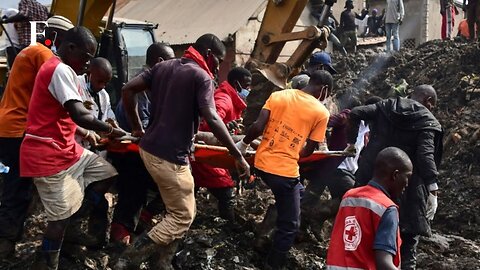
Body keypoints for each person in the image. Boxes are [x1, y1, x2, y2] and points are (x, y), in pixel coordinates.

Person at [116, 33, 250, 269]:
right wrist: (237, 155)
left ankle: (163, 263)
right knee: (183, 216)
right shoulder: (202, 77)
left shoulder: (164, 66)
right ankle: (127, 261)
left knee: (182, 211)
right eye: (217, 61)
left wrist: (138, 128)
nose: (218, 68)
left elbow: (127, 90)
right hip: (170, 157)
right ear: (209, 55)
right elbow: (212, 117)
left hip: (149, 149)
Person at [19, 26, 126, 269]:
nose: (87, 65)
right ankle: (47, 262)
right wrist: (108, 130)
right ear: (70, 48)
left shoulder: (63, 70)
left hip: (68, 149)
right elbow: (78, 114)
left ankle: (75, 223)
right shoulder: (59, 70)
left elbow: (66, 117)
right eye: (86, 58)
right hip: (47, 152)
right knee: (59, 219)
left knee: (106, 174)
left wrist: (89, 133)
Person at [236, 70, 332, 269]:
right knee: (290, 226)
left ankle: (266, 231)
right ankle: (273, 264)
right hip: (284, 172)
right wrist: (294, 151)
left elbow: (257, 126)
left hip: (261, 164)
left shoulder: (279, 95)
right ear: (324, 90)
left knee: (299, 194)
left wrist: (243, 145)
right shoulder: (321, 112)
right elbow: (308, 151)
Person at [0, 15, 74, 259]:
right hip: (19, 128)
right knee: (17, 187)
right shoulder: (43, 55)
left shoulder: (28, 50)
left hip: (9, 125)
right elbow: (57, 94)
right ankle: (6, 242)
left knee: (15, 184)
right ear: (59, 37)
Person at [347, 85, 443, 270]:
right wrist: (432, 188)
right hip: (408, 188)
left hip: (372, 180)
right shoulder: (427, 121)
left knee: (366, 234)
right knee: (407, 242)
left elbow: (356, 113)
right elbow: (425, 155)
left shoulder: (386, 106)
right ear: (429, 101)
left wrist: (351, 141)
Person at [110, 42, 175, 245]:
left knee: (170, 183)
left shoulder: (156, 88)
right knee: (135, 187)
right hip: (129, 151)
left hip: (146, 149)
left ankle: (142, 220)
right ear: (160, 62)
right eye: (171, 64)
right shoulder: (140, 88)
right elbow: (144, 126)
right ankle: (120, 233)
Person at [326, 147, 413, 270]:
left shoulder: (348, 197)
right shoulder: (386, 208)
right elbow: (383, 262)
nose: (407, 183)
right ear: (395, 175)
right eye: (407, 177)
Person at [191, 67, 252, 223]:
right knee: (224, 190)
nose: (248, 89)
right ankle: (230, 226)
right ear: (236, 84)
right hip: (207, 152)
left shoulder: (229, 98)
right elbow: (209, 123)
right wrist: (228, 126)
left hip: (206, 151)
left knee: (191, 188)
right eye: (246, 85)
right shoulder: (224, 99)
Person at [76, 57, 115, 151]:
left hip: (94, 149)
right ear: (89, 73)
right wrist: (87, 134)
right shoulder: (75, 85)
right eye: (100, 81)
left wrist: (113, 126)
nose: (102, 86)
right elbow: (68, 119)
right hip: (77, 145)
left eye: (106, 83)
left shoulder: (104, 95)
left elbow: (109, 117)